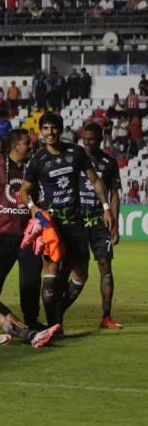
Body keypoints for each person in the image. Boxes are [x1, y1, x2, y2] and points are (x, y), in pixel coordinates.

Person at [20, 113, 115, 333]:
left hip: (75, 223)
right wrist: (33, 209)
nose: (50, 132)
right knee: (51, 273)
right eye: (45, 128)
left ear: (60, 130)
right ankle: (54, 325)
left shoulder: (76, 153)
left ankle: (57, 314)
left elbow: (95, 181)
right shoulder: (38, 160)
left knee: (81, 273)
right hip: (51, 225)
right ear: (41, 132)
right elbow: (24, 192)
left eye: (54, 128)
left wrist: (106, 207)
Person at [0, 128, 43, 330]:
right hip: (1, 230)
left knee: (30, 278)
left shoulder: (34, 166)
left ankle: (31, 320)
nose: (31, 147)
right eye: (27, 144)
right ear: (15, 145)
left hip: (27, 234)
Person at [79, 123, 122, 329]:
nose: (87, 142)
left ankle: (106, 316)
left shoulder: (109, 163)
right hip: (76, 220)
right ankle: (56, 313)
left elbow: (115, 194)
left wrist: (114, 223)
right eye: (84, 138)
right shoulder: (75, 158)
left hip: (99, 221)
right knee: (71, 267)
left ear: (100, 139)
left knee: (105, 266)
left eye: (92, 139)